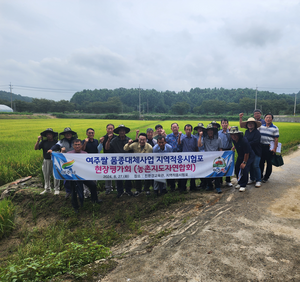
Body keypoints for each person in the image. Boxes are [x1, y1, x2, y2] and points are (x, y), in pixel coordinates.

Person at [67, 139, 102, 213]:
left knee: (93, 185)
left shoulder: (85, 153)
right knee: (74, 191)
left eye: (79, 144)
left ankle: (94, 200)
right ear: (73, 146)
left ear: (81, 145)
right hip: (73, 177)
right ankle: (75, 207)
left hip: (83, 175)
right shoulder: (69, 154)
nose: (77, 146)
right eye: (75, 145)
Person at [48, 127, 78, 198]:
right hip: (65, 161)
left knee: (76, 175)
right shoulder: (61, 141)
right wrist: (51, 150)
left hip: (75, 161)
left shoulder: (75, 140)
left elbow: (81, 146)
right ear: (64, 135)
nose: (68, 135)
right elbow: (56, 146)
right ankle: (68, 191)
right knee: (66, 177)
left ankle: (76, 191)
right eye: (66, 134)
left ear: (71, 134)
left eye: (69, 133)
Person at [109, 125, 133, 198]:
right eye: (120, 131)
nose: (122, 132)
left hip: (127, 161)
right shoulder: (114, 140)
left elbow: (132, 150)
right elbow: (109, 149)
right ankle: (120, 191)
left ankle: (128, 190)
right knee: (119, 176)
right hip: (117, 161)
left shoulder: (129, 140)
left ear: (125, 132)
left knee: (128, 176)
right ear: (118, 132)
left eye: (123, 130)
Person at [34, 128, 60, 195]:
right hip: (46, 160)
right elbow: (36, 148)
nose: (48, 135)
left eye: (50, 134)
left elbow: (61, 150)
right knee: (46, 175)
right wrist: (38, 141)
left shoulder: (56, 142)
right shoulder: (43, 142)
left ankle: (56, 189)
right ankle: (47, 189)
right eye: (47, 134)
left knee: (56, 175)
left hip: (55, 160)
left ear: (53, 135)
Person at [198, 124, 223, 194]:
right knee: (208, 172)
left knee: (217, 173)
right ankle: (209, 185)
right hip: (207, 159)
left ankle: (218, 187)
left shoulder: (218, 139)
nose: (210, 132)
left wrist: (220, 156)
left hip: (216, 159)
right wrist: (200, 136)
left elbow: (220, 148)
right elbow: (199, 145)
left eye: (211, 130)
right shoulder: (205, 139)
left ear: (213, 131)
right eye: (208, 130)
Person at [229, 127, 255, 192]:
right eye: (232, 134)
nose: (233, 136)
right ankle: (240, 182)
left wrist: (244, 162)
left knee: (244, 168)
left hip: (248, 156)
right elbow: (237, 144)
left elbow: (247, 153)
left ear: (238, 134)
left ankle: (243, 185)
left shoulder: (244, 141)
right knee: (237, 167)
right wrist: (234, 147)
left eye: (235, 134)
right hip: (241, 155)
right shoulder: (233, 140)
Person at [240, 117, 262, 188]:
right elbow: (244, 140)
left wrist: (246, 144)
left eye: (252, 123)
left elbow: (255, 142)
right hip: (249, 152)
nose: (250, 125)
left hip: (256, 151)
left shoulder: (257, 132)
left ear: (254, 125)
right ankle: (252, 179)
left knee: (255, 165)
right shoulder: (246, 132)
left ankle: (258, 180)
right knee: (251, 166)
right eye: (249, 123)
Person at [258, 113, 279, 182]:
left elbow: (276, 139)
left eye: (270, 118)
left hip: (269, 148)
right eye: (267, 117)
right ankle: (260, 176)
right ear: (264, 119)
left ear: (272, 119)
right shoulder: (261, 127)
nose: (268, 119)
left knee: (269, 163)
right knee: (261, 162)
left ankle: (266, 177)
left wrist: (274, 149)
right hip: (261, 147)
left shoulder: (275, 128)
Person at [178, 124, 198, 192]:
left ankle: (193, 187)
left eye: (189, 130)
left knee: (193, 173)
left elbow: (196, 147)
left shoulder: (194, 138)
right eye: (187, 129)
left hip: (192, 157)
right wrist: (179, 136)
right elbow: (179, 143)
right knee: (185, 173)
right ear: (185, 130)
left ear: (191, 130)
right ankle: (183, 187)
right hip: (185, 158)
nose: (188, 131)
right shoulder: (182, 137)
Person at [98, 124, 117, 195]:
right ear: (106, 129)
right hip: (106, 158)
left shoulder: (116, 137)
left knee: (116, 172)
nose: (110, 130)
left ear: (113, 130)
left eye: (111, 129)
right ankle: (108, 188)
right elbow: (99, 149)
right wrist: (100, 142)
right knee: (108, 173)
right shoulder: (103, 138)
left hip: (115, 158)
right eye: (108, 128)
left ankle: (117, 187)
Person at [166, 122, 181, 191]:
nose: (175, 128)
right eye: (173, 127)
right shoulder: (168, 137)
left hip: (180, 156)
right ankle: (172, 186)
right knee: (171, 171)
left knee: (180, 171)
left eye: (176, 127)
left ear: (178, 128)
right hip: (171, 157)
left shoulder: (182, 135)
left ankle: (180, 186)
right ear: (171, 129)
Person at [218, 119, 233, 187]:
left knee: (228, 165)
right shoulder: (218, 133)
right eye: (223, 123)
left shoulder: (230, 132)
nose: (224, 124)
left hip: (228, 150)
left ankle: (228, 180)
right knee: (220, 165)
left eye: (225, 123)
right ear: (221, 124)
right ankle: (220, 180)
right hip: (220, 150)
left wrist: (230, 132)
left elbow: (232, 139)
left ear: (227, 124)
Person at [194, 123, 206, 188]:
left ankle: (206, 183)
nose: (200, 130)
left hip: (205, 154)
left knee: (205, 169)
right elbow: (196, 146)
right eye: (199, 128)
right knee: (200, 170)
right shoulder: (195, 136)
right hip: (198, 154)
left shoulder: (206, 136)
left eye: (201, 128)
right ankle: (202, 182)